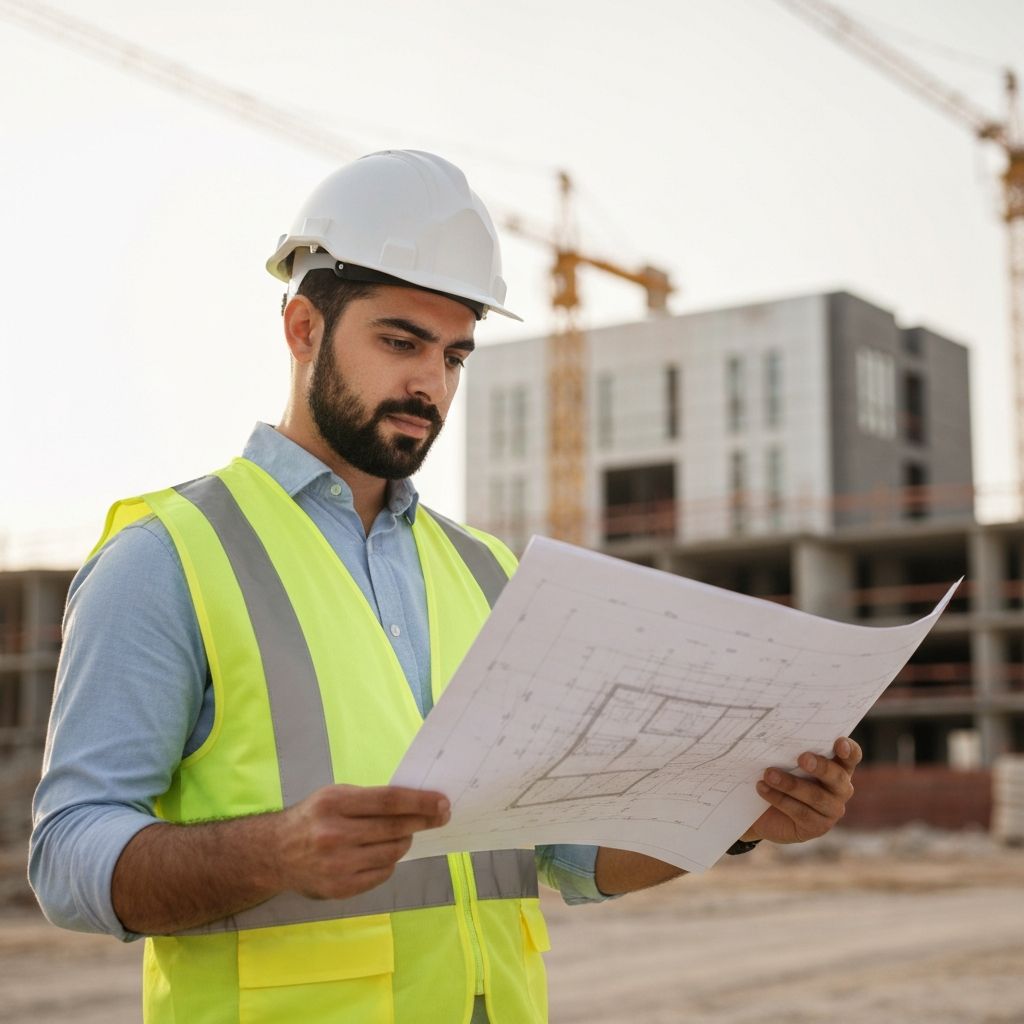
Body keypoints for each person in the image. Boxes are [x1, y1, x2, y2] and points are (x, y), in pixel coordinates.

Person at [30, 150, 860, 1024]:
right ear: (303, 328)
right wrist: (274, 852)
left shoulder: (489, 575)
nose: (430, 383)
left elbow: (565, 852)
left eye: (455, 355)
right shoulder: (168, 557)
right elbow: (67, 858)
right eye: (400, 342)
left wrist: (742, 819)